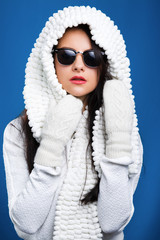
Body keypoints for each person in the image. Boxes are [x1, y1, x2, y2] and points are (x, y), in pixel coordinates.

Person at [3, 5, 143, 240]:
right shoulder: (19, 130)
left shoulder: (125, 129)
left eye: (91, 57)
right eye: (67, 56)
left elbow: (112, 223)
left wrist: (118, 138)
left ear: (104, 64)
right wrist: (51, 145)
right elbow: (26, 225)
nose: (79, 66)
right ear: (51, 63)